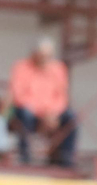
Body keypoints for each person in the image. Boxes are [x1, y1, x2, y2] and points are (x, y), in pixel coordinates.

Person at [8, 37, 78, 166]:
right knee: (24, 114)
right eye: (42, 55)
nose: (45, 59)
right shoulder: (22, 67)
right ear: (34, 54)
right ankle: (25, 155)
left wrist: (52, 112)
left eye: (48, 56)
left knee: (71, 117)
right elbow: (18, 95)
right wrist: (42, 112)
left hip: (52, 114)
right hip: (30, 111)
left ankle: (65, 157)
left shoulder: (58, 68)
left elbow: (62, 96)